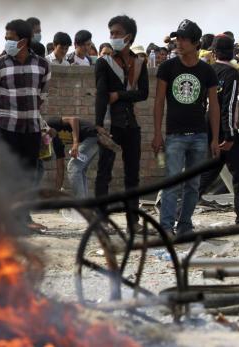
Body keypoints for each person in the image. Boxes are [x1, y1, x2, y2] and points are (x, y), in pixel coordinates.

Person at [152, 19, 221, 235]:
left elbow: (214, 105)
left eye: (183, 39)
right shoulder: (167, 67)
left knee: (193, 185)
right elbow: (159, 101)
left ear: (195, 43)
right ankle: (166, 228)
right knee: (171, 184)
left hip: (199, 136)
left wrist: (215, 137)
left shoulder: (207, 71)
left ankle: (184, 226)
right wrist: (157, 134)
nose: (178, 43)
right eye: (177, 39)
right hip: (174, 136)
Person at [0, 19, 51, 230]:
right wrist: (9, 112)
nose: (6, 42)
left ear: (23, 41)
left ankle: (24, 219)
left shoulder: (42, 65)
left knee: (29, 175)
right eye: (6, 39)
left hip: (31, 129)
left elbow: (42, 95)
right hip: (7, 129)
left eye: (10, 39)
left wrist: (28, 111)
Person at [95, 15, 149, 228]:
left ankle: (132, 220)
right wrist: (98, 125)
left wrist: (119, 95)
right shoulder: (104, 62)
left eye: (117, 33)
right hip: (110, 124)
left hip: (131, 125)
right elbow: (101, 95)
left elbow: (143, 93)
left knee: (132, 176)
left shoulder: (139, 62)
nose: (113, 37)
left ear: (129, 37)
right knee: (104, 173)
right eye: (111, 33)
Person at [199, 35, 239, 225]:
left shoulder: (210, 71)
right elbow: (228, 105)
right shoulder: (231, 74)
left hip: (209, 124)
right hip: (224, 128)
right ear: (232, 52)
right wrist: (229, 134)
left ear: (214, 52)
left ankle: (181, 208)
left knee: (211, 168)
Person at [46, 116, 98, 198]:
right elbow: (60, 169)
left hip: (91, 134)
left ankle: (81, 205)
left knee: (73, 167)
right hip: (94, 139)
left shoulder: (51, 123)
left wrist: (75, 143)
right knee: (79, 169)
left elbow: (73, 119)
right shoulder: (56, 142)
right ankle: (85, 204)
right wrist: (56, 194)